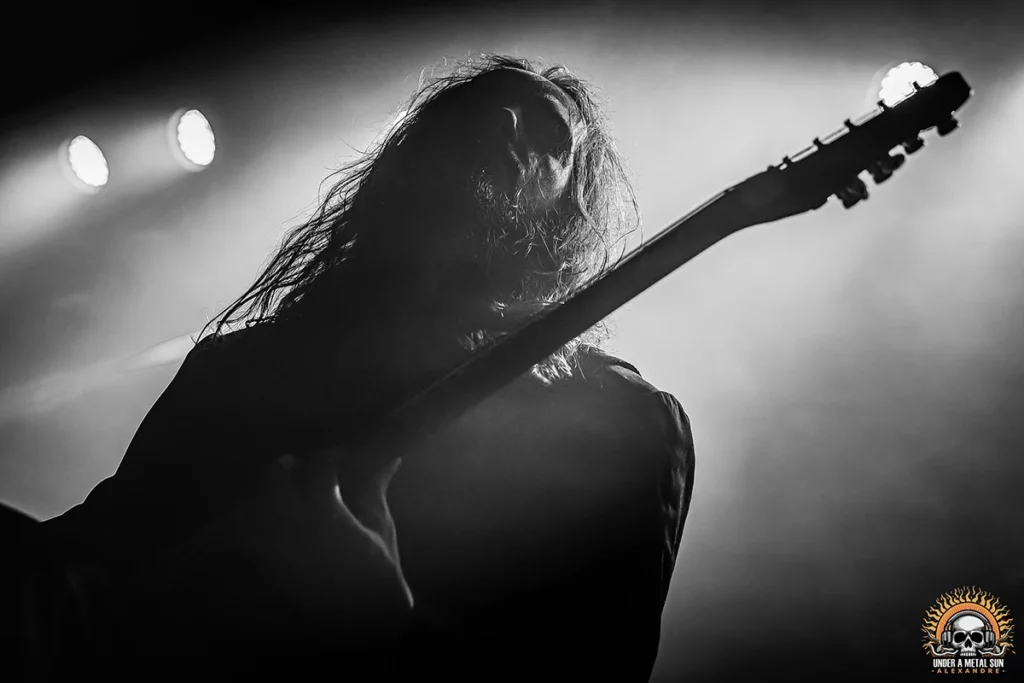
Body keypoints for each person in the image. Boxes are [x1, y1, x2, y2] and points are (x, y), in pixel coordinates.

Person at [14, 55, 695, 681]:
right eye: (477, 109)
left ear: (570, 214)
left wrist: (381, 621)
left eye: (549, 134)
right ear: (410, 155)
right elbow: (88, 565)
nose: (505, 122)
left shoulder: (619, 426)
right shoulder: (240, 369)